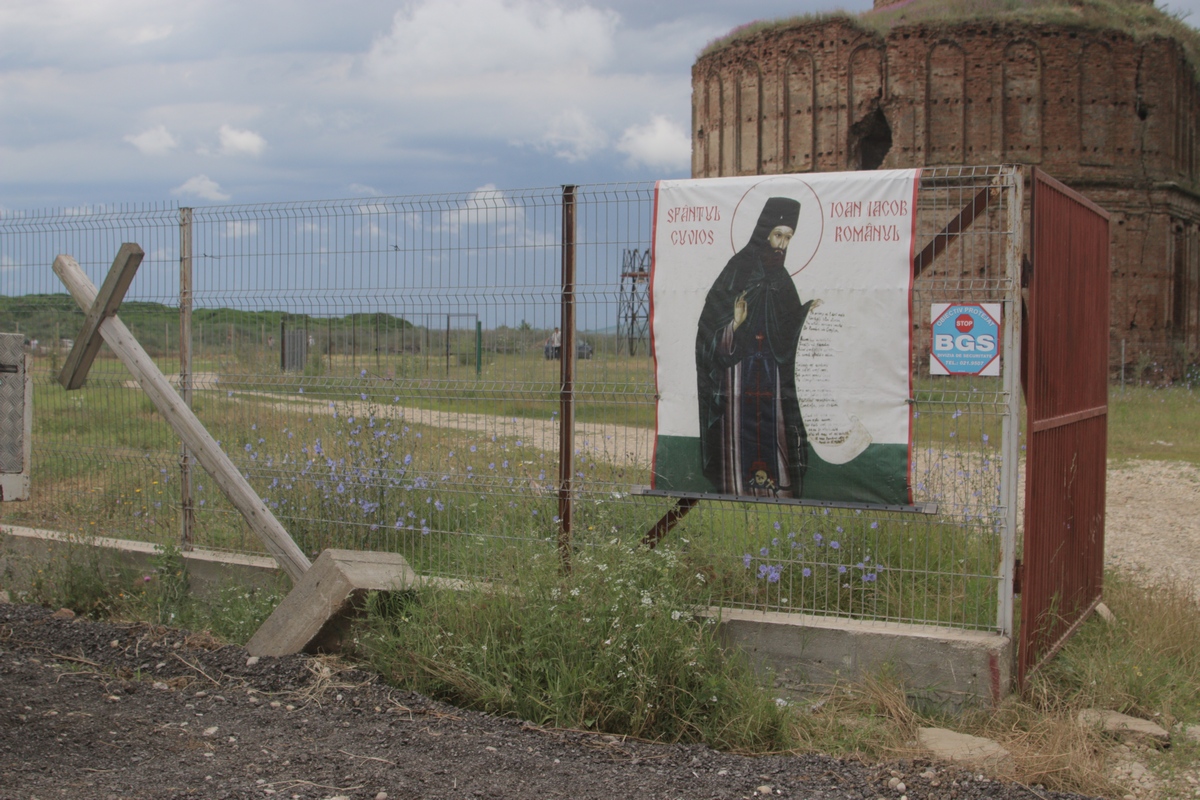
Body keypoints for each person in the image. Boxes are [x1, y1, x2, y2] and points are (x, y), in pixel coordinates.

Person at [695, 197, 819, 498]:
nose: (782, 244)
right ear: (764, 232)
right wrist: (735, 325)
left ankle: (780, 491)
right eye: (778, 235)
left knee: (774, 432)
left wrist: (808, 313)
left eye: (788, 238)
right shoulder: (737, 269)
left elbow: (788, 329)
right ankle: (739, 487)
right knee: (741, 436)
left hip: (773, 378)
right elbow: (709, 327)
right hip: (738, 374)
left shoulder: (782, 278)